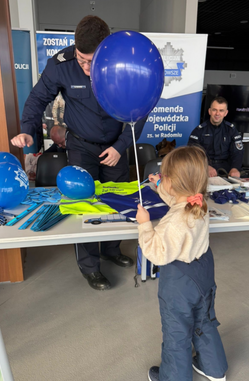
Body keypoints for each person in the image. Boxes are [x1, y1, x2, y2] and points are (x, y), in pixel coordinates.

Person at [11, 15, 147, 291]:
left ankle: (111, 249)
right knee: (83, 204)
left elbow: (141, 108)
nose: (86, 67)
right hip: (81, 146)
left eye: (92, 61)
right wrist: (27, 128)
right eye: (81, 59)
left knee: (115, 200)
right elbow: (37, 98)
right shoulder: (61, 64)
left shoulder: (124, 64)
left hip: (115, 147)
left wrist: (121, 147)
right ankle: (90, 266)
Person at [136, 146, 228, 381]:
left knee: (177, 329)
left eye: (163, 176)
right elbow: (178, 202)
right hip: (203, 272)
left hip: (179, 282)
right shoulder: (198, 204)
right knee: (205, 321)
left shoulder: (174, 222)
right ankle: (215, 369)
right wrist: (158, 186)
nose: (160, 178)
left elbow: (156, 253)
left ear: (174, 184)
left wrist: (145, 226)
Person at [188, 96, 244, 178]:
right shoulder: (198, 131)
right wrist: (205, 166)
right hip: (204, 168)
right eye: (214, 110)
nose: (217, 113)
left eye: (221, 111)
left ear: (226, 113)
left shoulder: (231, 130)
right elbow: (193, 153)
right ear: (209, 111)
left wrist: (235, 168)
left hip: (226, 170)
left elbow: (238, 152)